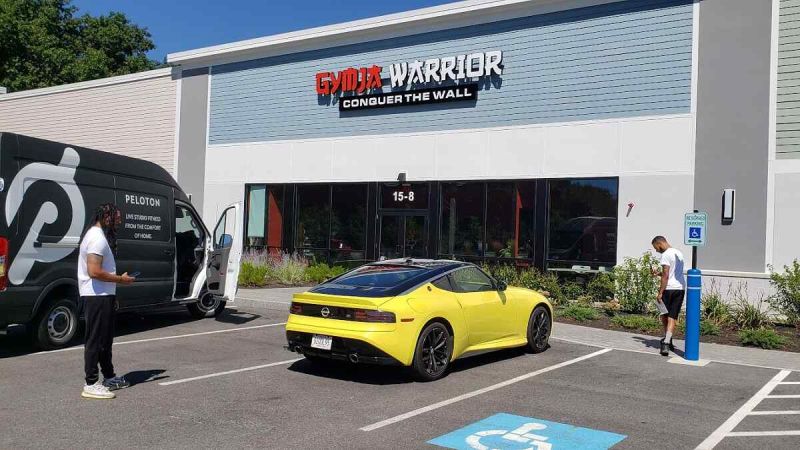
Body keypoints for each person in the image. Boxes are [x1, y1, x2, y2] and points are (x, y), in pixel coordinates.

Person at [78, 203, 135, 399]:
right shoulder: (96, 238)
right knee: (95, 339)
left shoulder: (99, 236)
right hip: (96, 297)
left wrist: (113, 294)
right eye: (116, 218)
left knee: (105, 340)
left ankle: (108, 376)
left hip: (103, 296)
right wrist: (121, 280)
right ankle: (91, 383)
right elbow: (94, 272)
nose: (119, 222)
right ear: (106, 217)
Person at [651, 236, 686, 356]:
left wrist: (660, 292)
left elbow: (666, 275)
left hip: (668, 289)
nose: (656, 250)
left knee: (664, 315)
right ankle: (668, 340)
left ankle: (666, 343)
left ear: (659, 243)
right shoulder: (678, 253)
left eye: (656, 247)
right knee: (672, 316)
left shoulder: (665, 254)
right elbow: (672, 272)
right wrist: (657, 274)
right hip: (680, 289)